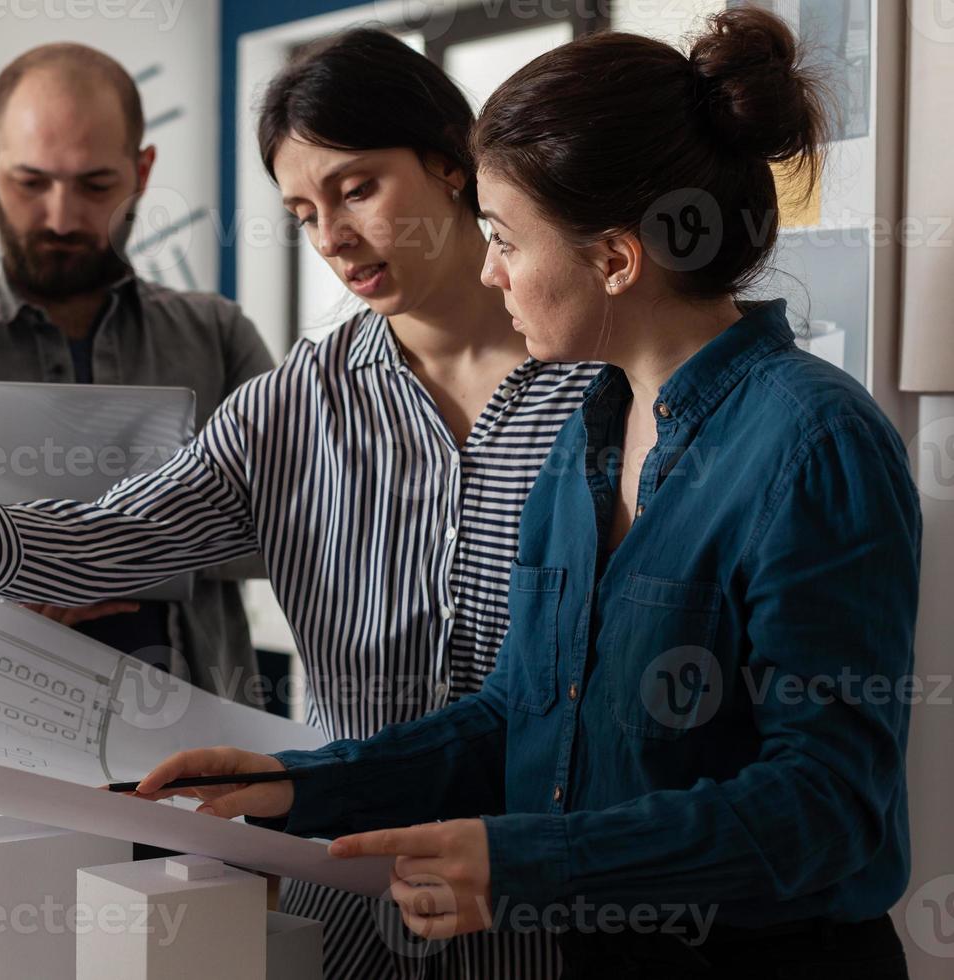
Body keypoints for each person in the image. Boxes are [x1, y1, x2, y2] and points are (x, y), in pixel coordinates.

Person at [0, 29, 595, 978]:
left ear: (450, 162)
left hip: (550, 901)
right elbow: (104, 539)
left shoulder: (597, 384)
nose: (334, 239)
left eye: (357, 189)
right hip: (349, 896)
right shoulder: (302, 398)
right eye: (304, 212)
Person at [132, 11, 921, 979]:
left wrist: (522, 860)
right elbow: (518, 711)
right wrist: (299, 782)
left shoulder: (812, 442)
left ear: (617, 257)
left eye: (506, 238)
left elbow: (827, 806)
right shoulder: (585, 434)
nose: (490, 268)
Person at [0, 43, 275, 699]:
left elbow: (289, 531)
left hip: (200, 755)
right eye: (30, 182)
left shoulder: (218, 340)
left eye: (95, 185)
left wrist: (76, 559)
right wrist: (0, 597)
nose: (62, 218)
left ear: (143, 169)